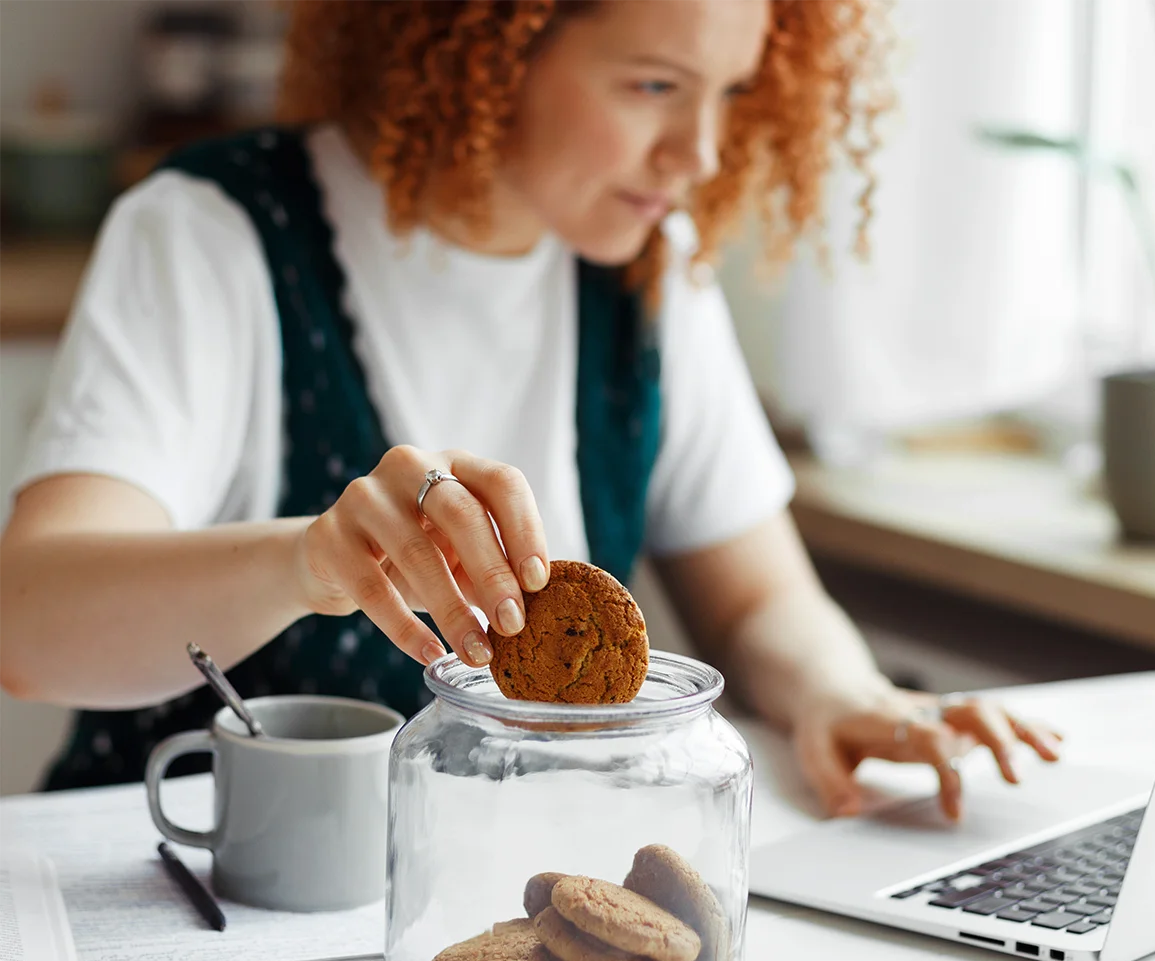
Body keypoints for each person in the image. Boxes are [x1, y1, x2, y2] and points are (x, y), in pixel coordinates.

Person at [0, 0, 1059, 818]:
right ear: (488, 47)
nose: (699, 155)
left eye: (730, 94)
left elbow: (756, 602)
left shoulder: (649, 270)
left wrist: (842, 689)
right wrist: (307, 564)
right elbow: (30, 628)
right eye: (653, 84)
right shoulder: (210, 234)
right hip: (184, 906)